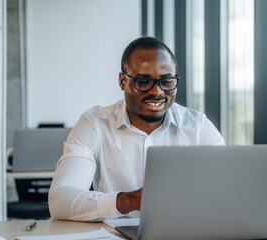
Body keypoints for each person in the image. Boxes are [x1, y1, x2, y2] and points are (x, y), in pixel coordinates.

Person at [48, 37, 225, 221]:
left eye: (167, 81)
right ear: (122, 81)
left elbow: (228, 190)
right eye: (143, 81)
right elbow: (60, 201)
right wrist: (130, 201)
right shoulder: (94, 124)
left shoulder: (198, 126)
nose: (157, 92)